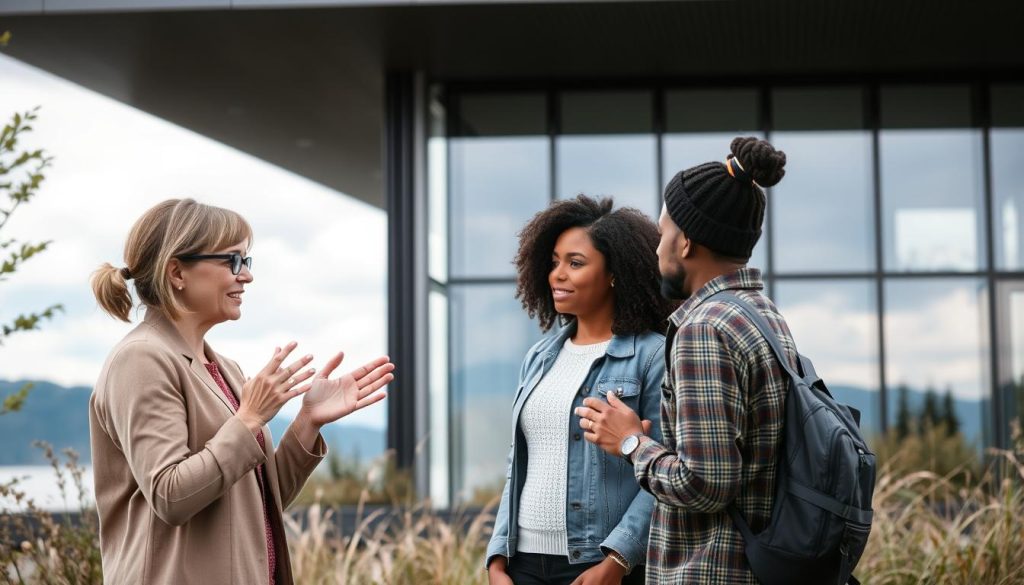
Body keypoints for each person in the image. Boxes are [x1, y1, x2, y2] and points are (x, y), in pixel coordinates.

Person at [88, 198, 394, 585]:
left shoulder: (225, 369)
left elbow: (257, 499)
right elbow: (170, 495)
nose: (245, 276)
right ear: (177, 272)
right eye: (232, 261)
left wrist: (306, 423)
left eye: (247, 261)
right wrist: (248, 418)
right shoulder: (141, 360)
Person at [576, 137, 797, 584]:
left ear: (686, 243)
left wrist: (629, 443)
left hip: (712, 571)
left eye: (663, 234)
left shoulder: (704, 329)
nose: (656, 249)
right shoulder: (762, 313)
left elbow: (707, 483)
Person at [486, 195, 677, 585]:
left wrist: (618, 560)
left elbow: (667, 471)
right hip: (522, 564)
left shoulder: (653, 355)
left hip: (597, 563)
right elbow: (517, 463)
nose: (558, 274)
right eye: (554, 262)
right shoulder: (539, 357)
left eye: (575, 263)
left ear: (614, 273)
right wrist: (497, 558)